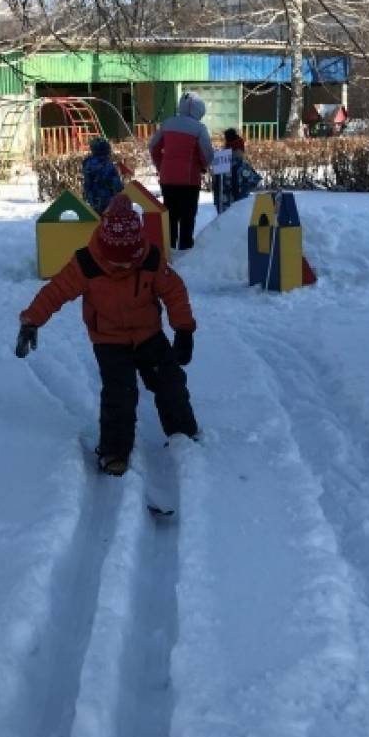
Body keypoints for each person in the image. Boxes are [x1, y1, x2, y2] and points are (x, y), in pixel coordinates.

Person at [15, 194, 198, 477]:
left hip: (148, 334)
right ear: (105, 246)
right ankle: (114, 450)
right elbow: (56, 291)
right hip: (109, 340)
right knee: (119, 395)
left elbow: (174, 292)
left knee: (170, 381)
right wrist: (32, 321)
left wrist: (184, 330)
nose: (125, 266)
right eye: (118, 260)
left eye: (130, 259)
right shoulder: (86, 263)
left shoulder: (149, 258)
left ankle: (184, 435)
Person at [148, 92, 214, 250]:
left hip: (167, 178)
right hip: (189, 180)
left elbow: (153, 146)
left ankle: (168, 248)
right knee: (188, 216)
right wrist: (203, 166)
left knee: (170, 215)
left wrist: (160, 165)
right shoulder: (199, 129)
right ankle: (185, 248)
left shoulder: (167, 124)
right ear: (199, 110)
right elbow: (208, 154)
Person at [214, 127, 262, 213]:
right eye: (242, 150)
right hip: (237, 208)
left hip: (222, 207)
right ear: (238, 150)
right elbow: (255, 180)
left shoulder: (220, 162)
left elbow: (216, 184)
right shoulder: (241, 165)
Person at [81, 135, 124, 215]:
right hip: (108, 197)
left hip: (93, 197)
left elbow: (87, 182)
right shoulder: (108, 165)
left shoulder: (88, 163)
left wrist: (87, 194)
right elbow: (116, 184)